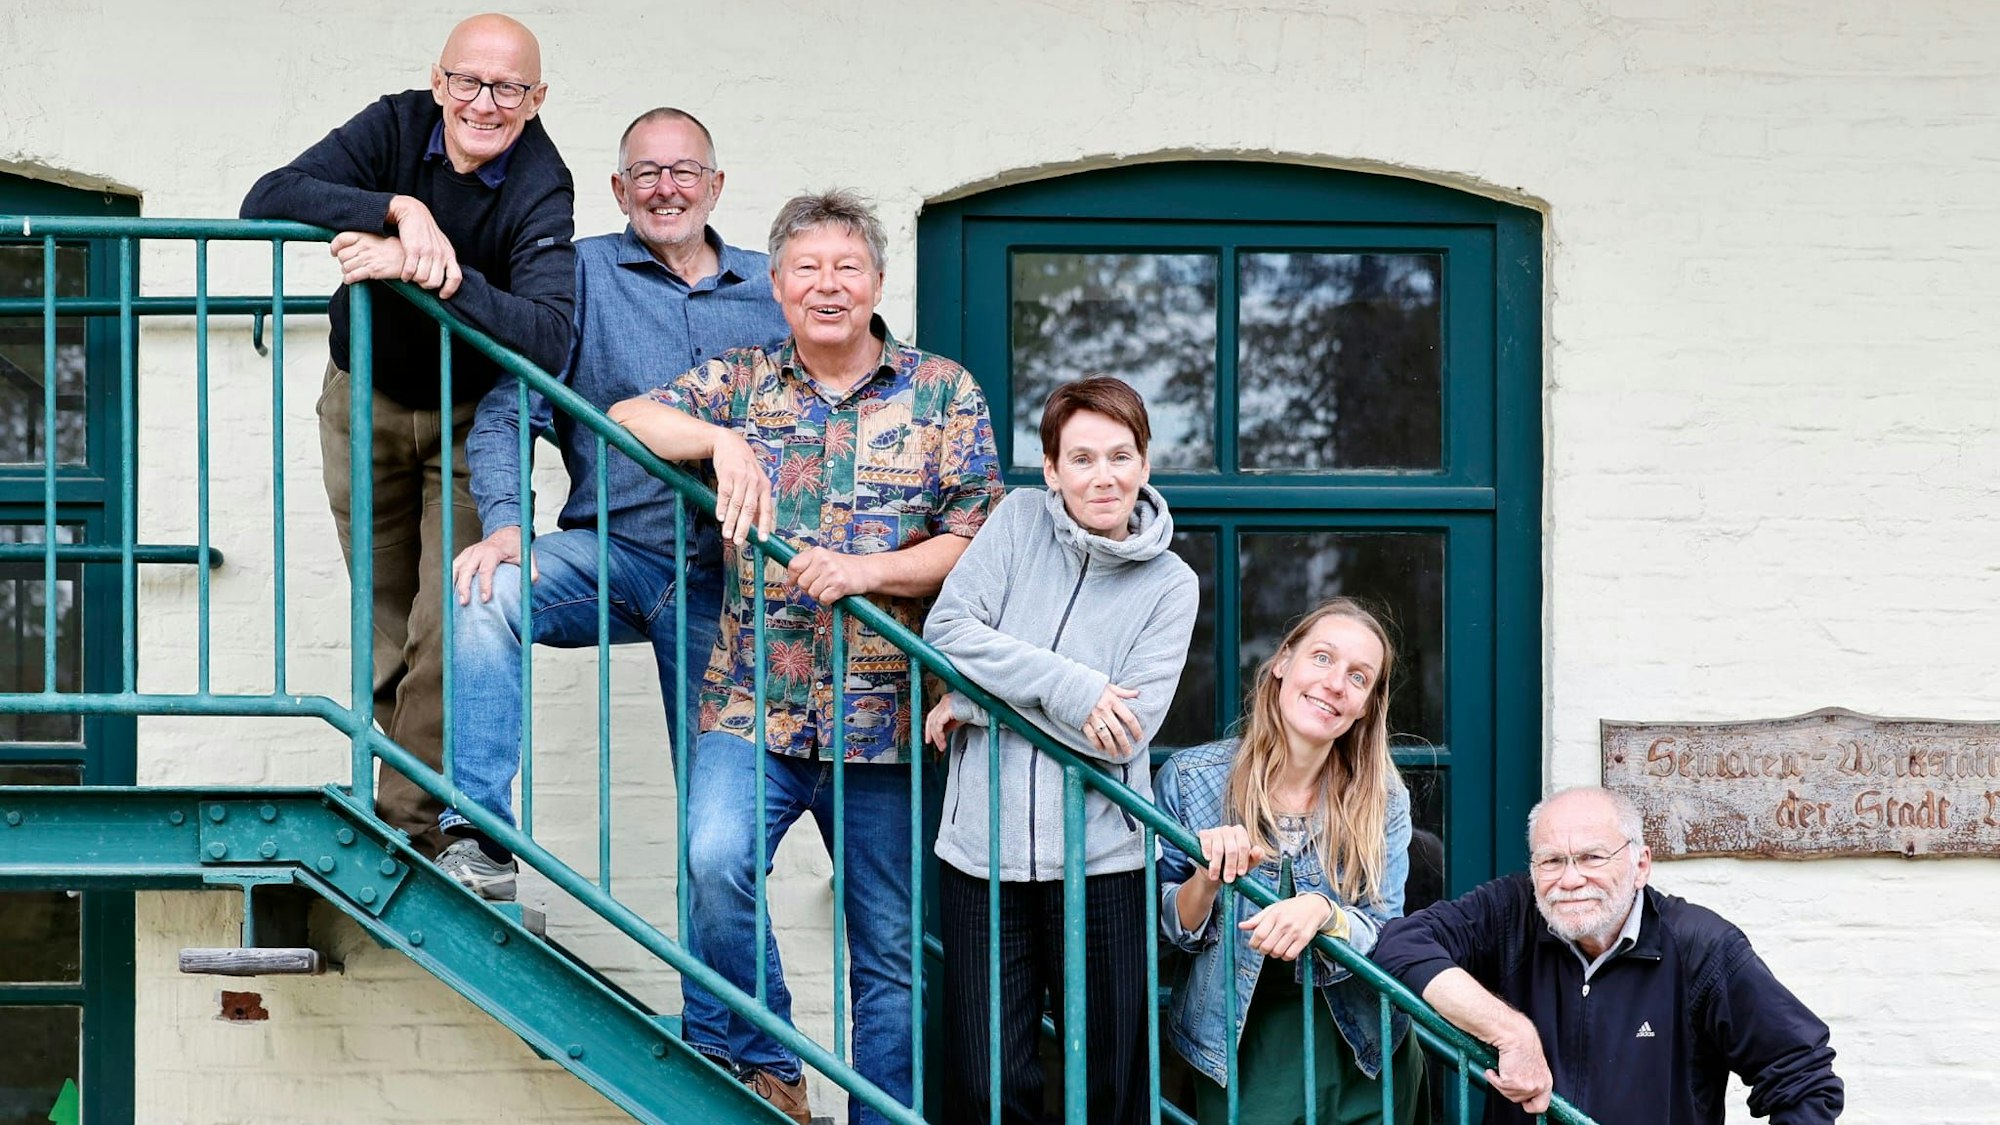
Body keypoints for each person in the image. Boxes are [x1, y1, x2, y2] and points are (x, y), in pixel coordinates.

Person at [607, 191, 1004, 1124]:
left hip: (890, 718)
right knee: (713, 861)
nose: (827, 286)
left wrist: (867, 571)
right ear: (778, 285)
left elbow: (977, 539)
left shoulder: (942, 390)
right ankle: (766, 1055)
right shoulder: (743, 380)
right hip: (753, 703)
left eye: (846, 269)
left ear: (875, 282)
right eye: (807, 270)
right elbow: (629, 415)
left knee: (891, 957)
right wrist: (718, 440)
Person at [239, 13, 575, 857]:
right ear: (438, 81)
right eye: (468, 81)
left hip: (470, 416)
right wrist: (398, 207)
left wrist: (433, 271)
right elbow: (268, 196)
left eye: (508, 89)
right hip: (363, 400)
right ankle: (407, 812)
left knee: (447, 619)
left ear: (536, 100)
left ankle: (408, 826)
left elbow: (546, 333)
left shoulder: (542, 182)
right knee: (386, 621)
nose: (484, 103)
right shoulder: (394, 124)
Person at [433, 106, 786, 904]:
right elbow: (507, 411)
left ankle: (719, 1026)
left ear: (716, 184)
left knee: (719, 836)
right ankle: (478, 835)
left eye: (685, 171)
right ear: (619, 189)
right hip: (615, 555)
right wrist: (504, 525)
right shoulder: (578, 273)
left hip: (729, 587)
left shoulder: (776, 288)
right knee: (487, 591)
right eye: (648, 174)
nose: (668, 189)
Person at [922, 375, 1199, 1125]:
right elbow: (948, 634)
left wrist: (976, 700)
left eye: (1119, 455)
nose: (1102, 475)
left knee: (1110, 1086)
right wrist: (1074, 686)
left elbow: (1122, 734)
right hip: (982, 855)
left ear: (1144, 463)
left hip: (1105, 861)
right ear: (1050, 469)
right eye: (1081, 458)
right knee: (986, 1088)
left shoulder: (1171, 584)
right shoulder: (1015, 523)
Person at [1372, 787, 1843, 1125]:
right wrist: (1512, 1032)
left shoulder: (1703, 947)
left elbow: (1804, 1077)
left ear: (1640, 866)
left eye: (1593, 858)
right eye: (1551, 861)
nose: (1570, 879)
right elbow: (1400, 945)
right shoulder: (1513, 912)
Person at [1155, 598, 1425, 1125]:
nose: (1334, 684)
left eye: (1358, 676)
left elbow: (1384, 927)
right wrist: (1207, 880)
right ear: (1283, 662)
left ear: (1366, 705)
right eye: (1322, 658)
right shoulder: (1191, 781)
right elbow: (1164, 929)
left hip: (1365, 1051)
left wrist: (1327, 912)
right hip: (1239, 1051)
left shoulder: (1382, 796)